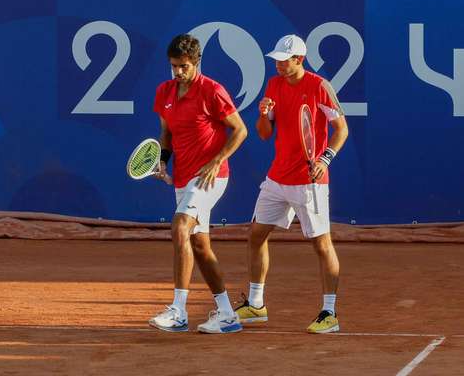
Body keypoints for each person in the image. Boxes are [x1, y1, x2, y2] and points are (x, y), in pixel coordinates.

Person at [234, 34, 349, 334]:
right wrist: (262, 114)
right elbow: (263, 134)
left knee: (321, 245)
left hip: (309, 180)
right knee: (256, 235)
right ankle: (256, 305)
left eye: (284, 61)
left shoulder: (319, 87)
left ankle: (329, 312)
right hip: (277, 177)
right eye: (276, 61)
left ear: (299, 59)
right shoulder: (274, 85)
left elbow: (341, 129)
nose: (279, 66)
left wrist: (324, 159)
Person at [148, 34, 248, 334]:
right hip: (183, 176)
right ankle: (228, 314)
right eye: (174, 66)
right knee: (200, 246)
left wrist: (218, 160)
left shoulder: (212, 91)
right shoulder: (164, 92)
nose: (178, 72)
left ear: (196, 63)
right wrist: (163, 159)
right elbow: (166, 133)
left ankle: (178, 310)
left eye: (184, 66)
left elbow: (240, 130)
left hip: (209, 176)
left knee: (179, 227)